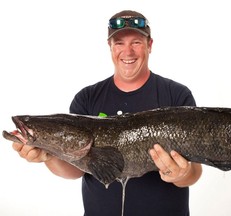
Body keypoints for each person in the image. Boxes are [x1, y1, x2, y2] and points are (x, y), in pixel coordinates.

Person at [12, 10, 202, 216]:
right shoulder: (86, 98)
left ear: (150, 45)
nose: (127, 52)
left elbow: (195, 172)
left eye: (136, 42)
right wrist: (47, 155)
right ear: (110, 46)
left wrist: (182, 174)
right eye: (119, 43)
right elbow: (75, 170)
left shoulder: (176, 95)